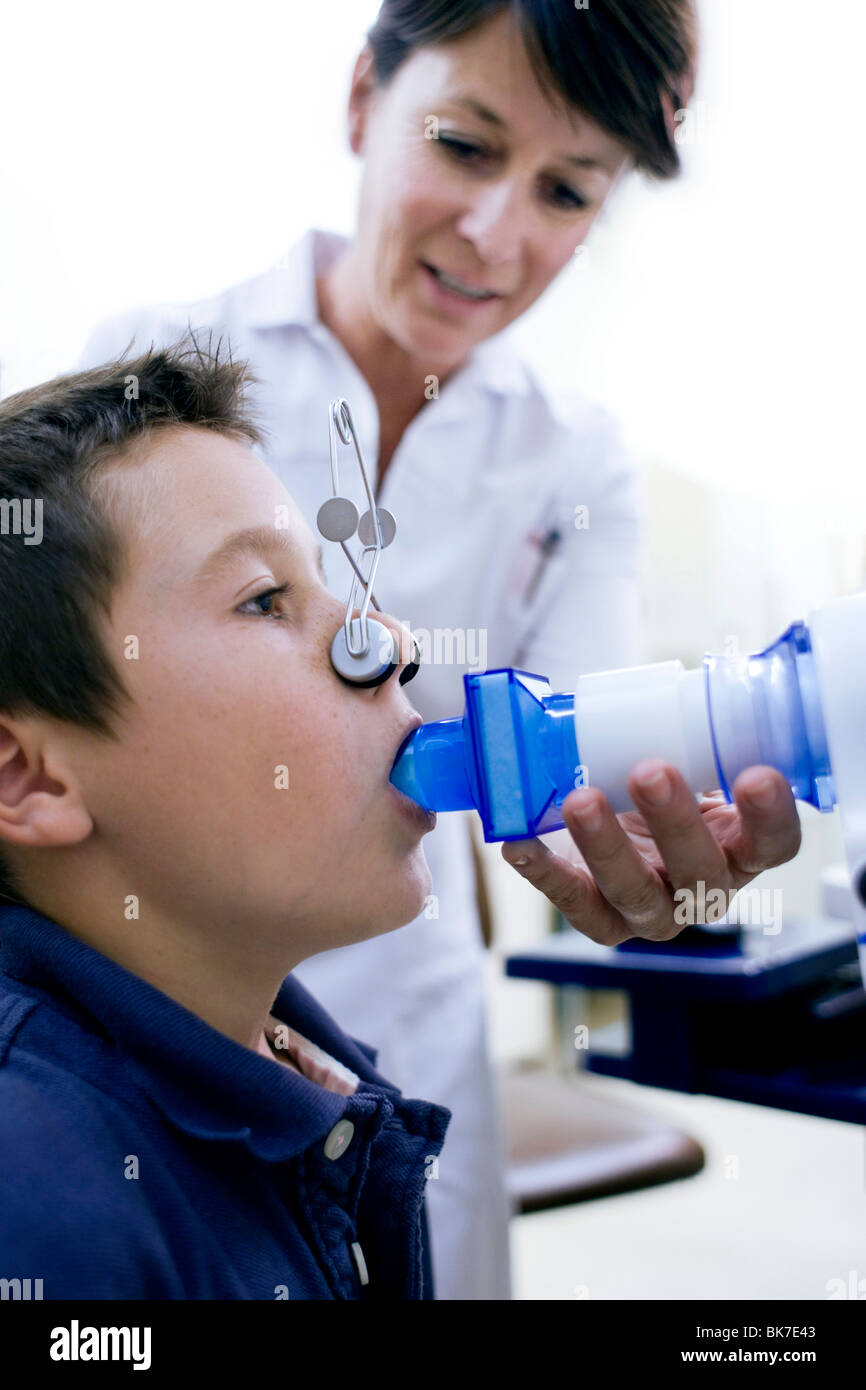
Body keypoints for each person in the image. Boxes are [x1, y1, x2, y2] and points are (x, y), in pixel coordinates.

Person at [77, 0, 801, 1300]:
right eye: (464, 146)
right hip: (147, 1020)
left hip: (408, 1037)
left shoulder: (570, 463)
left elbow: (587, 757)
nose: (496, 234)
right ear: (365, 100)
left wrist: (652, 864)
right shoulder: (155, 383)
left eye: (567, 190)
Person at [0, 340, 449, 1299]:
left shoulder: (315, 1078)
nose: (393, 645)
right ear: (27, 778)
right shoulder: (43, 1220)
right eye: (264, 601)